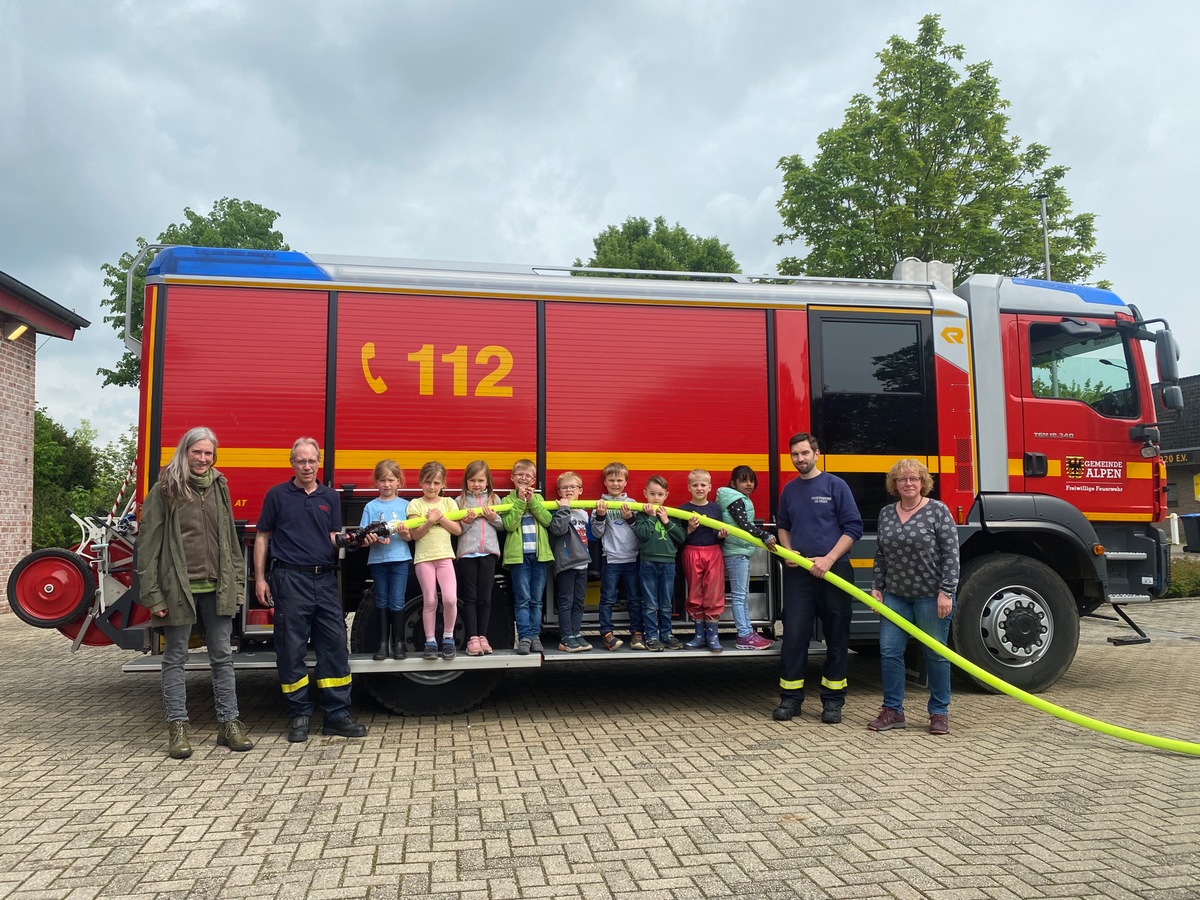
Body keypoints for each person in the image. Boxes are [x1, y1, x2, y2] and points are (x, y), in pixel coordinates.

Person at [136, 426, 252, 760]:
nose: (202, 459)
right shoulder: (165, 489)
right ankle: (177, 727)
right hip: (178, 589)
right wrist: (154, 594)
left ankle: (229, 724)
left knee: (222, 657)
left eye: (208, 453)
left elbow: (229, 538)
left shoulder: (220, 485)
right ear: (185, 452)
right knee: (175, 658)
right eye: (197, 452)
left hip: (217, 586)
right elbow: (148, 547)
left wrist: (238, 585)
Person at [254, 437, 367, 743]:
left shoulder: (330, 497)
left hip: (325, 580)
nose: (306, 466)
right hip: (289, 580)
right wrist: (260, 579)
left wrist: (353, 540)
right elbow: (263, 536)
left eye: (311, 461)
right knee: (291, 649)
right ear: (292, 463)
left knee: (334, 646)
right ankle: (299, 714)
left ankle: (336, 716)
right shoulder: (277, 495)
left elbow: (332, 536)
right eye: (301, 461)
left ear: (319, 463)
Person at [773, 432, 863, 725]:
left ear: (816, 453)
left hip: (834, 572)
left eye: (804, 453)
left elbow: (853, 529)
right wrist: (788, 552)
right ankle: (790, 700)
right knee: (794, 637)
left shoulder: (836, 486)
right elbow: (783, 526)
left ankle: (833, 702)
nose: (800, 459)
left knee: (837, 637)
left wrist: (829, 559)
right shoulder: (789, 490)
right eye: (795, 455)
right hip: (800, 574)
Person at [868, 459, 959, 735]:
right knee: (889, 651)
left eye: (914, 478)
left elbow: (951, 554)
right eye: (902, 479)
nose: (908, 483)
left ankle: (939, 712)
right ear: (894, 484)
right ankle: (893, 710)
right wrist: (877, 587)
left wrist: (946, 592)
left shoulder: (938, 511)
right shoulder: (886, 514)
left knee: (935, 653)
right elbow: (881, 554)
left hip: (930, 597)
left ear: (923, 483)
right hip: (896, 596)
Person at [407, 461, 463, 661]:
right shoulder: (415, 504)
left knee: (450, 599)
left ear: (443, 484)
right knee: (430, 600)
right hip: (424, 559)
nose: (431, 487)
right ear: (421, 482)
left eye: (436, 482)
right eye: (428, 482)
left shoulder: (448, 503)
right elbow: (414, 535)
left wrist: (440, 518)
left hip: (445, 557)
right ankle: (430, 641)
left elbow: (457, 530)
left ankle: (448, 637)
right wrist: (429, 521)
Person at [716, 466, 777, 650]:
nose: (749, 484)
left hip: (739, 551)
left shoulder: (737, 499)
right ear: (734, 483)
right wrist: (764, 535)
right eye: (744, 480)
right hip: (736, 552)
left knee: (741, 596)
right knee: (740, 596)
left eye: (751, 480)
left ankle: (747, 632)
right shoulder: (735, 500)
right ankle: (744, 635)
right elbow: (743, 525)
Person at [359, 459, 412, 661]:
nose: (387, 484)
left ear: (399, 482)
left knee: (397, 600)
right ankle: (383, 642)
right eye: (382, 480)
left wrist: (405, 532)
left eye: (391, 480)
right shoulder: (370, 507)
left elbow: (411, 537)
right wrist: (371, 539)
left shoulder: (406, 506)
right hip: (378, 561)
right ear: (376, 482)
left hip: (400, 559)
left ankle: (398, 643)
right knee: (382, 600)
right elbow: (362, 539)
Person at [500, 458, 553, 655]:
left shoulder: (538, 499)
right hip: (518, 558)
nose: (523, 478)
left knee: (536, 600)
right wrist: (521, 503)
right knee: (522, 598)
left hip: (539, 557)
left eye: (528, 476)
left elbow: (548, 521)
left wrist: (531, 502)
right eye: (520, 475)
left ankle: (534, 636)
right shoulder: (507, 501)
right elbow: (509, 525)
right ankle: (523, 637)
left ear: (533, 480)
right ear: (512, 478)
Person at [630, 476, 686, 652]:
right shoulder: (641, 514)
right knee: (650, 603)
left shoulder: (673, 515)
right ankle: (652, 636)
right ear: (645, 493)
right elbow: (643, 535)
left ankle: (666, 634)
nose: (656, 497)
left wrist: (666, 521)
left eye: (660, 494)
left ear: (666, 495)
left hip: (668, 564)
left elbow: (681, 537)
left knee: (666, 603)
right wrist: (652, 517)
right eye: (652, 493)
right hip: (648, 563)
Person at [592, 461, 642, 651]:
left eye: (619, 480)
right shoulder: (599, 504)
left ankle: (637, 633)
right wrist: (601, 516)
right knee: (607, 599)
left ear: (625, 482)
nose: (615, 484)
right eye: (611, 480)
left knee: (634, 598)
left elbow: (641, 532)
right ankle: (607, 634)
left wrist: (630, 518)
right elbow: (596, 534)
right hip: (611, 560)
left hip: (632, 559)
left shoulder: (633, 504)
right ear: (605, 482)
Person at [456, 460, 504, 656]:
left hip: (489, 554)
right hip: (468, 554)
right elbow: (458, 530)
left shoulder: (495, 500)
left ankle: (483, 636)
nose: (476, 484)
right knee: (470, 597)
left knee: (485, 597)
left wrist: (493, 518)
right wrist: (467, 521)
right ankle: (472, 638)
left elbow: (503, 526)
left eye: (480, 480)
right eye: (472, 480)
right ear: (466, 482)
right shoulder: (460, 501)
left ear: (487, 482)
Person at [678, 468, 728, 652]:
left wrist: (722, 535)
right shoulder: (682, 510)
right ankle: (699, 635)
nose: (699, 488)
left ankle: (713, 637)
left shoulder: (715, 508)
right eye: (695, 485)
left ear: (710, 487)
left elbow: (717, 535)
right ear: (689, 487)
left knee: (714, 592)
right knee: (695, 592)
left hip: (713, 552)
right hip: (692, 552)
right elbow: (679, 537)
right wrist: (690, 529)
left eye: (703, 485)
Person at [549, 471, 593, 652]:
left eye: (572, 487)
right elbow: (558, 530)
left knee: (578, 601)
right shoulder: (559, 510)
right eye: (564, 487)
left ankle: (576, 633)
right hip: (566, 563)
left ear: (580, 490)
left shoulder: (584, 512)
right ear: (559, 492)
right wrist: (564, 509)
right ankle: (566, 636)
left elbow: (593, 535)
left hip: (583, 563)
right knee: (566, 601)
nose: (568, 490)